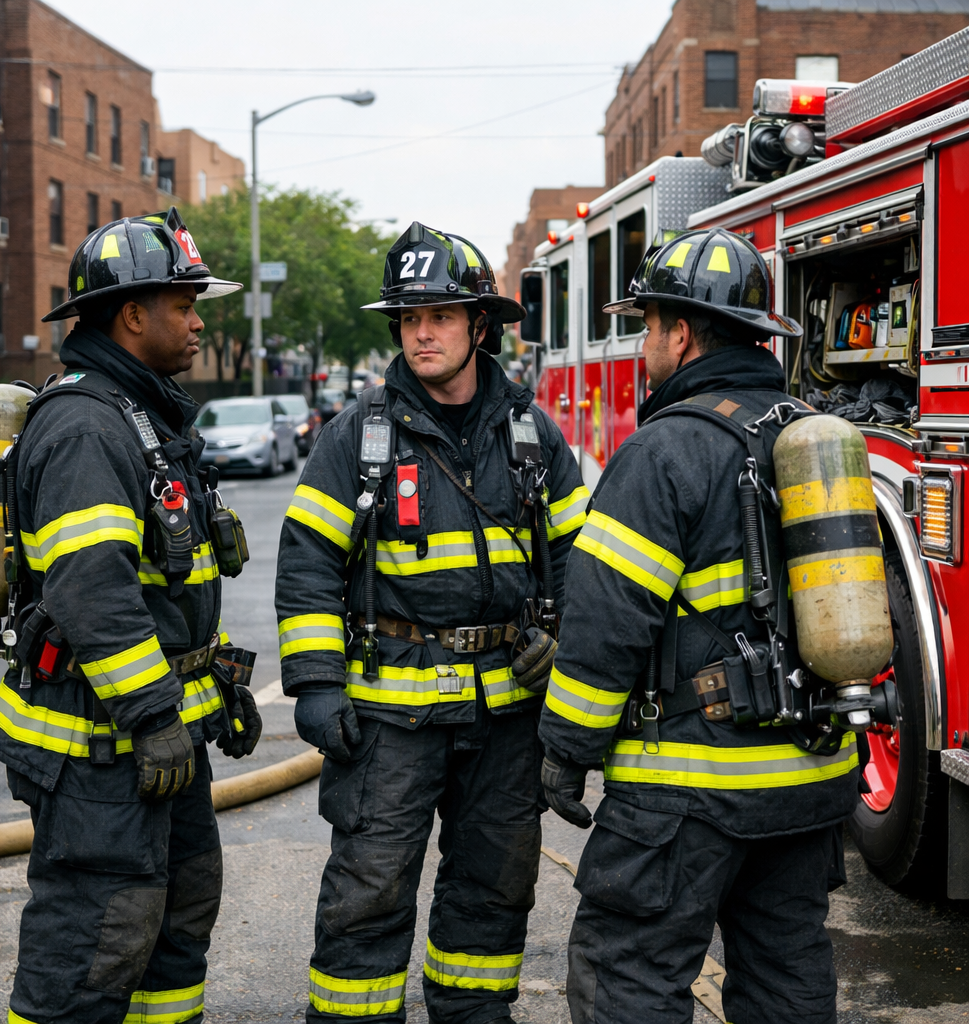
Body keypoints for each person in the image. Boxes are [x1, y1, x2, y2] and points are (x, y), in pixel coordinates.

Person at [539, 229, 860, 1024]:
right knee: (786, 977)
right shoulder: (809, 432)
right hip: (810, 782)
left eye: (647, 324)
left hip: (687, 789)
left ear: (680, 333)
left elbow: (605, 624)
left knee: (628, 977)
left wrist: (565, 751)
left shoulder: (664, 449)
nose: (645, 342)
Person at [275, 222, 589, 1024]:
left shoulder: (531, 433)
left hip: (506, 717)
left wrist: (566, 651)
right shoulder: (358, 436)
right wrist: (315, 684)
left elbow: (585, 563)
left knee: (494, 889)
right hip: (389, 720)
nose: (421, 332)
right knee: (367, 892)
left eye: (441, 315)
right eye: (409, 318)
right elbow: (308, 562)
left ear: (479, 325)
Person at [0, 208, 263, 1024]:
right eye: (185, 303)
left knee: (174, 925)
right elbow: (90, 591)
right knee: (91, 947)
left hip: (153, 739)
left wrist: (208, 697)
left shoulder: (140, 418)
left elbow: (165, 598)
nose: (200, 319)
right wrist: (151, 712)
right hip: (99, 752)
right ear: (133, 315)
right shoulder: (83, 427)